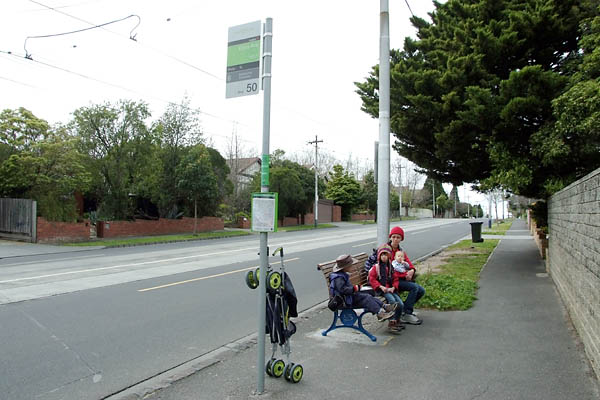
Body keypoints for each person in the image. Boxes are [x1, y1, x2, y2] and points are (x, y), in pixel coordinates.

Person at [364, 226, 425, 325]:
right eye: (394, 237)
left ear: (401, 239)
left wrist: (412, 270)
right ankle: (407, 313)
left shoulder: (400, 252)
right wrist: (374, 274)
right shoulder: (384, 250)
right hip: (389, 281)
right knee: (414, 287)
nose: (395, 239)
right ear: (390, 237)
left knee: (421, 290)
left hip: (397, 279)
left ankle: (404, 310)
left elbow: (409, 263)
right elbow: (370, 263)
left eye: (398, 237)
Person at [329, 254, 396, 321]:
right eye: (350, 265)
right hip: (344, 301)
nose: (352, 267)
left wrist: (355, 289)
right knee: (366, 299)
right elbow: (342, 290)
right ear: (345, 267)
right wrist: (354, 288)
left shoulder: (342, 275)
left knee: (367, 296)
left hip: (348, 297)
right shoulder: (338, 278)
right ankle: (379, 313)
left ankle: (384, 307)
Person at [367, 244, 405, 331]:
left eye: (386, 255)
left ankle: (396, 319)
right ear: (379, 256)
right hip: (382, 290)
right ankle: (391, 322)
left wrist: (394, 287)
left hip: (391, 289)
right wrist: (380, 286)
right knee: (392, 301)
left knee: (400, 304)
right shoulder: (376, 267)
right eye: (382, 255)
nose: (384, 257)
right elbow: (372, 279)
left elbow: (395, 279)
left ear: (389, 256)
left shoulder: (391, 267)